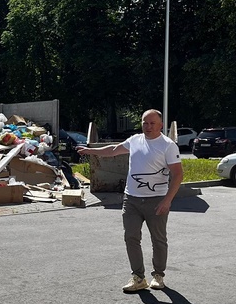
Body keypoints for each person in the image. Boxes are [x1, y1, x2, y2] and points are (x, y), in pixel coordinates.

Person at [77, 109, 183, 292]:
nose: (148, 127)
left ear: (161, 125)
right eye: (145, 123)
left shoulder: (168, 145)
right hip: (131, 199)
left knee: (158, 239)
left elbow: (178, 175)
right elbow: (113, 150)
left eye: (152, 123)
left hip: (156, 200)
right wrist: (90, 151)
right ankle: (138, 278)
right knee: (131, 238)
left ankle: (158, 275)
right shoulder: (135, 140)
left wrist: (167, 200)